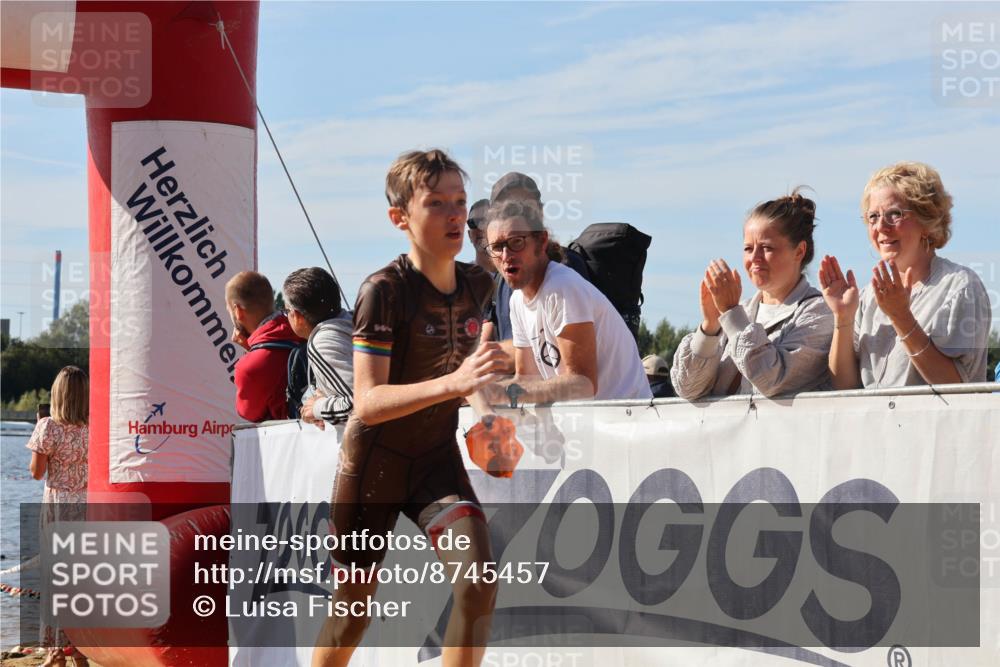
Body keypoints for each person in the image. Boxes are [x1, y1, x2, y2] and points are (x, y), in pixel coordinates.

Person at [312, 149, 505, 667]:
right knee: (352, 615)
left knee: (479, 583)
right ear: (400, 217)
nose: (454, 215)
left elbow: (472, 374)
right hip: (372, 465)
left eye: (460, 202)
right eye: (436, 203)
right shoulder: (383, 290)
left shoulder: (479, 283)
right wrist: (456, 383)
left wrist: (487, 417)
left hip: (434, 459)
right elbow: (369, 402)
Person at [819, 162, 991, 388]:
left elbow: (955, 387)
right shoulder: (867, 297)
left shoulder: (960, 287)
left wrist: (902, 317)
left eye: (894, 214)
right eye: (873, 216)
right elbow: (845, 388)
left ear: (927, 220)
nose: (881, 226)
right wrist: (843, 317)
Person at [484, 199, 651, 402]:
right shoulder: (517, 300)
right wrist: (473, 391)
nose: (505, 255)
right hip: (594, 416)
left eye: (516, 242)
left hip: (629, 416)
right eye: (496, 247)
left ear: (541, 241)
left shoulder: (562, 287)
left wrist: (501, 393)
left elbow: (583, 383)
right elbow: (526, 379)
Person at [671, 191, 833, 399]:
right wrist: (710, 327)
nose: (755, 258)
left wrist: (731, 313)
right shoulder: (742, 312)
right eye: (748, 248)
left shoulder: (820, 312)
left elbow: (771, 380)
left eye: (766, 247)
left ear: (799, 251)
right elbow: (687, 388)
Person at [26, 366, 90, 667]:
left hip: (58, 507)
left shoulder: (48, 426)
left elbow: (37, 473)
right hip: (88, 507)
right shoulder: (96, 426)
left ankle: (55, 652)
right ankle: (79, 649)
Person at [226, 271, 304, 422]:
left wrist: (251, 354)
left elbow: (248, 413)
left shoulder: (248, 367)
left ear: (238, 311)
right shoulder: (303, 330)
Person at [282, 267, 354, 428]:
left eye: (286, 311)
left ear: (297, 316)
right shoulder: (352, 322)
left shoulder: (322, 342)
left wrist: (317, 408)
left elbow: (361, 405)